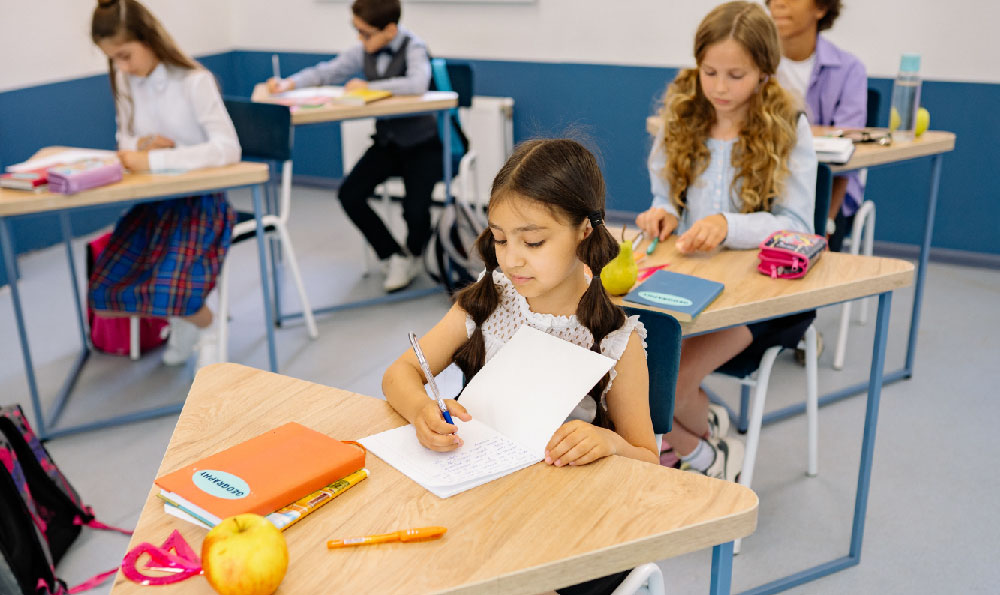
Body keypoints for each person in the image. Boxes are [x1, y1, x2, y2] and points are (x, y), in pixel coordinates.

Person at [383, 138, 658, 595]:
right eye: (500, 238)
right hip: (481, 501)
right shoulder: (490, 298)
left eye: (532, 241)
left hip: (566, 525)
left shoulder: (616, 339)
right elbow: (399, 374)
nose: (511, 258)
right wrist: (421, 410)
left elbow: (649, 460)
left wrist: (609, 443)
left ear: (584, 231)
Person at [636, 1, 817, 482]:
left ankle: (708, 457)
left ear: (764, 72)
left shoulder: (789, 125)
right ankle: (704, 427)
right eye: (709, 72)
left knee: (667, 383)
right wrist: (663, 213)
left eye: (736, 75)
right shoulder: (683, 114)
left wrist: (729, 225)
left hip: (763, 296)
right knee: (632, 372)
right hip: (694, 281)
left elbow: (797, 226)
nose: (719, 87)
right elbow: (666, 196)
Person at [89, 0, 241, 367]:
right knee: (106, 291)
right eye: (113, 59)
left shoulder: (194, 81)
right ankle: (187, 319)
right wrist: (143, 145)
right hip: (155, 204)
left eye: (125, 55)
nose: (123, 67)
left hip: (201, 204)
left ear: (148, 38)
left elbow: (228, 149)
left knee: (173, 287)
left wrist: (154, 159)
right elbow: (125, 141)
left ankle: (206, 326)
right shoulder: (126, 81)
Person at [267, 0, 442, 292]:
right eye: (356, 31)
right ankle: (393, 254)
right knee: (349, 194)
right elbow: (327, 71)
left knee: (415, 210)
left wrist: (369, 87)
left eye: (366, 33)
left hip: (422, 144)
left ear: (390, 30)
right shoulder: (364, 49)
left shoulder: (414, 46)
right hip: (387, 144)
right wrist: (289, 83)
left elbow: (417, 84)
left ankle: (414, 252)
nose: (360, 39)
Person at [768, 0, 867, 252]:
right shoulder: (753, 64)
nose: (779, 3)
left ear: (821, 8)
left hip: (828, 191)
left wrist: (827, 222)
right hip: (765, 185)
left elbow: (847, 153)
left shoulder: (849, 70)